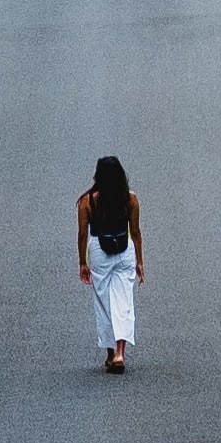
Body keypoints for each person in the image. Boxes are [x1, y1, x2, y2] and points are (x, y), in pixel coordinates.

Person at [76, 153, 143, 372]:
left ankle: (110, 352)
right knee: (123, 300)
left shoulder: (87, 201)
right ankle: (121, 353)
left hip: (98, 249)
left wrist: (82, 263)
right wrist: (139, 261)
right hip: (124, 249)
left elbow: (82, 234)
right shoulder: (130, 198)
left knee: (104, 302)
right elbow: (135, 231)